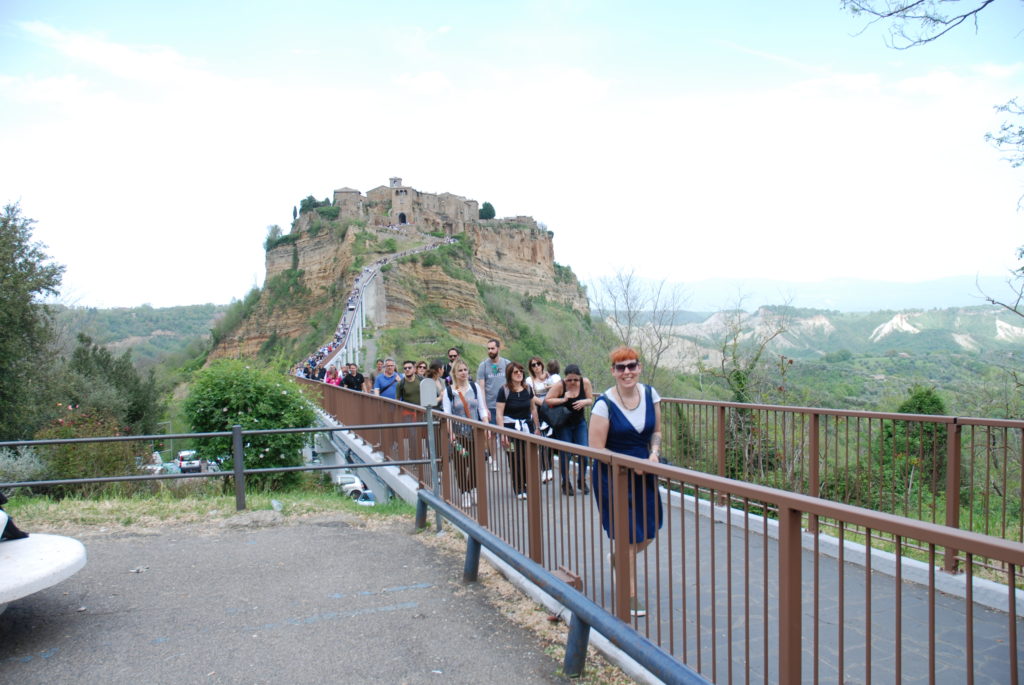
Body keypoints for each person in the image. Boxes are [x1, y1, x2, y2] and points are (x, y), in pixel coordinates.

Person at [589, 346, 663, 618]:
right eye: (621, 368)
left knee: (649, 532)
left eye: (632, 366)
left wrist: (653, 454)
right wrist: (631, 464)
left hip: (645, 472)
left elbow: (656, 432)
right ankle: (629, 594)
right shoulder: (604, 404)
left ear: (639, 367)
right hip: (614, 476)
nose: (627, 372)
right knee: (628, 535)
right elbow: (596, 448)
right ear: (613, 372)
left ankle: (617, 559)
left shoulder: (650, 394)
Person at [441, 359, 486, 506]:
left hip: (474, 433)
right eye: (460, 370)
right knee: (461, 463)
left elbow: (481, 408)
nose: (463, 373)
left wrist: (486, 427)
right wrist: (451, 434)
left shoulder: (475, 387)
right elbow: (447, 414)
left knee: (475, 462)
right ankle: (464, 492)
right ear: (454, 373)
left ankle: (473, 488)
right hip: (459, 434)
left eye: (465, 370)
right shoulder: (449, 391)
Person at [545, 364, 594, 495]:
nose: (572, 382)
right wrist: (563, 399)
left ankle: (581, 480)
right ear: (565, 378)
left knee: (584, 451)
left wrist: (585, 402)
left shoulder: (585, 383)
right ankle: (566, 482)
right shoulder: (560, 385)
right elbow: (547, 400)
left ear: (580, 378)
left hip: (579, 422)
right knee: (565, 453)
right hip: (564, 423)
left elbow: (590, 399)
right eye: (569, 379)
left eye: (575, 379)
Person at [495, 361, 540, 500]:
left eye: (521, 370)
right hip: (510, 429)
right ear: (510, 375)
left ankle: (526, 484)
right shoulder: (504, 391)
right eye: (516, 372)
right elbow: (499, 414)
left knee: (527, 458)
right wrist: (502, 434)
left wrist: (537, 427)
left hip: (526, 428)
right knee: (514, 459)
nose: (519, 373)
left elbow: (533, 409)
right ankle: (519, 488)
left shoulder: (528, 389)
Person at [526, 356, 559, 484]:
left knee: (549, 440)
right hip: (538, 410)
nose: (536, 367)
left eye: (538, 364)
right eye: (533, 365)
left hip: (550, 410)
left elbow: (557, 388)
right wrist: (545, 403)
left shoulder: (550, 377)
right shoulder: (530, 380)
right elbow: (532, 397)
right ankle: (545, 469)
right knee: (542, 439)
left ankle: (548, 468)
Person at [477, 338, 510, 469]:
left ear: (498, 348)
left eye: (492, 348)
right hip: (491, 405)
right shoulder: (483, 366)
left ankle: (510, 460)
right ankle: (494, 460)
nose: (490, 351)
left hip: (506, 405)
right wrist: (484, 407)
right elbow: (482, 388)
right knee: (491, 434)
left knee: (507, 432)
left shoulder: (507, 364)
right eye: (488, 348)